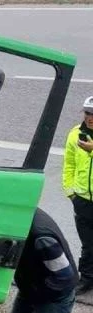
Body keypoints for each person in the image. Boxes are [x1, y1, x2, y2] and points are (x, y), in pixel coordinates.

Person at [62, 96, 93, 300]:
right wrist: (70, 192)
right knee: (88, 243)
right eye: (88, 113)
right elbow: (69, 165)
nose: (90, 118)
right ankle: (87, 278)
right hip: (82, 200)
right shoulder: (75, 134)